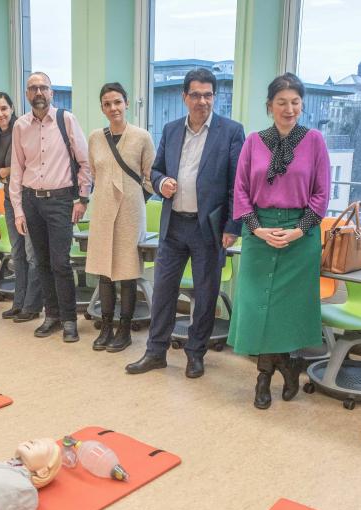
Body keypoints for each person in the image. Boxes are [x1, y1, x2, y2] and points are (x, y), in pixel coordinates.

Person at [126, 68, 245, 378]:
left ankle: (195, 353)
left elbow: (237, 185)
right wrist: (161, 181)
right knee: (163, 290)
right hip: (174, 225)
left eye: (207, 95)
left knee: (206, 294)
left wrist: (234, 227)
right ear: (184, 97)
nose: (202, 101)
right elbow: (154, 171)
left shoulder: (231, 131)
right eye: (195, 95)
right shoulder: (171, 129)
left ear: (214, 97)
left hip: (209, 229)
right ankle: (155, 352)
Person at [229, 74, 330, 409]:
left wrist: (299, 230)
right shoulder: (254, 142)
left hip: (301, 236)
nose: (289, 109)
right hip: (259, 232)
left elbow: (321, 194)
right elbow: (240, 191)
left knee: (284, 311)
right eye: (282, 102)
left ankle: (266, 376)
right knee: (260, 307)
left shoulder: (314, 141)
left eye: (296, 102)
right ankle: (282, 367)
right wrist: (257, 230)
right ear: (269, 106)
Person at [10, 72, 93, 342]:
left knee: (60, 263)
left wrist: (83, 199)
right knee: (41, 263)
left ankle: (69, 319)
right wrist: (19, 210)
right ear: (26, 94)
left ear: (51, 92)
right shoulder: (20, 126)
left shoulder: (65, 119)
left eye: (43, 87)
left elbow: (85, 162)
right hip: (32, 200)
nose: (38, 92)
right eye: (33, 88)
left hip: (60, 201)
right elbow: (16, 171)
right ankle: (52, 316)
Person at [85, 82, 155, 352]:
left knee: (126, 273)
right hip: (102, 209)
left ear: (126, 103)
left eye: (117, 102)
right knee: (105, 272)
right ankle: (106, 326)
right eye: (107, 103)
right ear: (102, 108)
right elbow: (94, 172)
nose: (113, 108)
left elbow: (150, 177)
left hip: (130, 210)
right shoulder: (95, 138)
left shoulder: (141, 137)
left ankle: (124, 329)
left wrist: (136, 199)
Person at [0, 91, 42, 323]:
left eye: (4, 108)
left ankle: (32, 305)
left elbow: (30, 164)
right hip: (10, 197)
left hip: (29, 197)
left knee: (32, 254)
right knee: (17, 253)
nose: (0, 114)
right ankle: (18, 303)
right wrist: (3, 172)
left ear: (12, 108)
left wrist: (5, 172)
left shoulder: (24, 129)